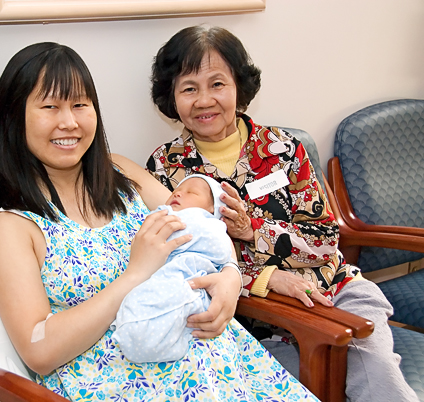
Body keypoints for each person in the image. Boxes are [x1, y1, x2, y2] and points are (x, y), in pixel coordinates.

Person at [0, 42, 319, 401]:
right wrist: (136, 274)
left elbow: (203, 228)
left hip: (219, 361)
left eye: (80, 104)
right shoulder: (12, 226)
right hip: (122, 381)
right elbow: (40, 352)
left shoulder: (121, 172)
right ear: (14, 117)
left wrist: (231, 279)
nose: (70, 122)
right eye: (50, 107)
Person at [146, 25, 418, 402]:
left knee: (383, 386)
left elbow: (324, 242)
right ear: (171, 97)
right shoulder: (165, 169)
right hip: (249, 321)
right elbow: (177, 265)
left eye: (217, 84)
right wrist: (267, 279)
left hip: (336, 291)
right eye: (189, 88)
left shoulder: (282, 148)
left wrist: (250, 229)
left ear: (239, 87)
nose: (204, 100)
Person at [112, 175, 241, 363]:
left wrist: (232, 274)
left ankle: (146, 338)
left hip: (192, 281)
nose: (178, 192)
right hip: (157, 277)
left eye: (191, 192)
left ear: (213, 209)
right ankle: (142, 336)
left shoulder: (203, 223)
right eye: (175, 191)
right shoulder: (165, 214)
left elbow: (219, 246)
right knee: (148, 303)